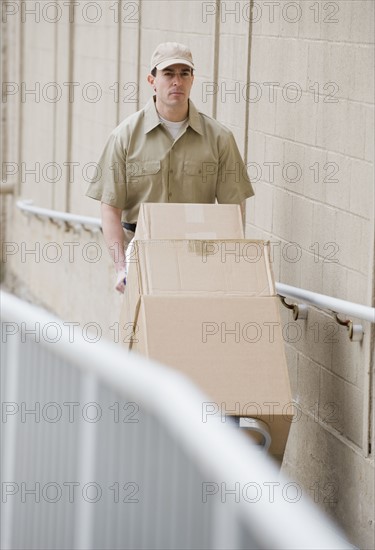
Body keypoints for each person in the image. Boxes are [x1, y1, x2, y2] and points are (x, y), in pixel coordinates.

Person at [86, 42, 254, 293]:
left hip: (198, 257)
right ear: (152, 80)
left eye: (184, 73)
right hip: (142, 259)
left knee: (193, 329)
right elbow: (110, 209)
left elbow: (233, 210)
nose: (177, 81)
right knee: (146, 330)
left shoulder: (220, 138)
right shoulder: (125, 137)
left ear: (192, 80)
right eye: (168, 74)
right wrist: (121, 268)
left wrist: (226, 264)